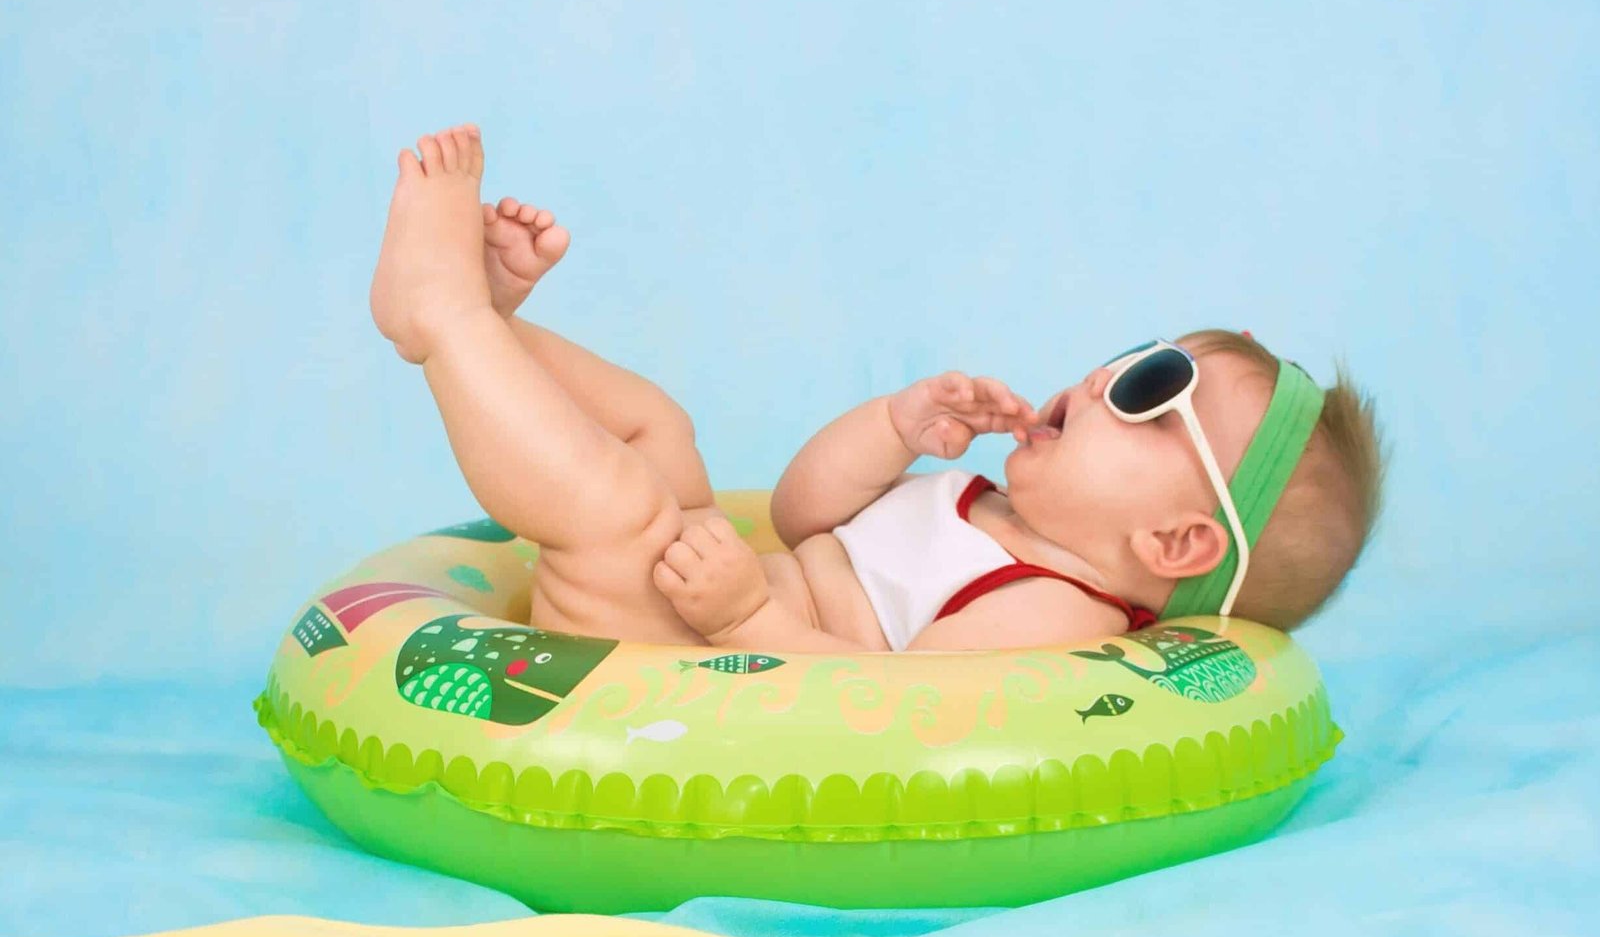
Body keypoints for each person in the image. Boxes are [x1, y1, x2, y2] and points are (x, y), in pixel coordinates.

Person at [370, 124, 1385, 654]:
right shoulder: (978, 507)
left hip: (681, 650)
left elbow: (888, 706)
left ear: (1174, 543)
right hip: (714, 594)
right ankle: (494, 321)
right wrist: (895, 428)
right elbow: (804, 513)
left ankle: (442, 319)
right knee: (658, 427)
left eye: (1148, 392)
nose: (1104, 374)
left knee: (619, 509)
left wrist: (740, 623)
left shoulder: (1048, 614)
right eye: (1135, 352)